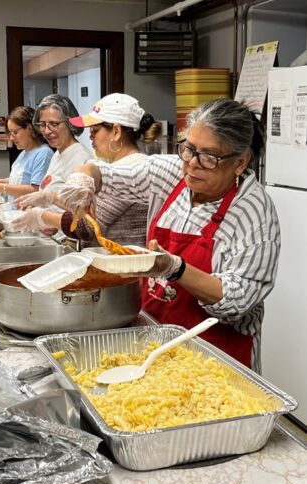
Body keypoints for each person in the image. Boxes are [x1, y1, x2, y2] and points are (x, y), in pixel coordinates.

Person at [56, 99, 281, 372]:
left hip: (218, 357)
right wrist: (84, 179)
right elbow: (102, 171)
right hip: (154, 342)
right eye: (188, 149)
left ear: (240, 162)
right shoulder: (171, 172)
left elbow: (236, 301)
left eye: (209, 157)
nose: (192, 165)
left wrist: (175, 268)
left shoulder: (253, 211)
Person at [12, 93, 161, 247]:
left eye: (95, 131)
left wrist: (42, 216)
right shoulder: (118, 165)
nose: (90, 137)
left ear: (116, 132)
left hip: (121, 263)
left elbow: (87, 226)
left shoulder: (130, 170)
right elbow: (86, 209)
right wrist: (50, 197)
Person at [0, 106, 53, 207]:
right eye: (10, 133)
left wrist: (1, 187)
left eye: (15, 133)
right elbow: (20, 179)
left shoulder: (44, 153)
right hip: (16, 212)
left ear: (30, 128)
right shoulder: (23, 153)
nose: (11, 138)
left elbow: (36, 190)